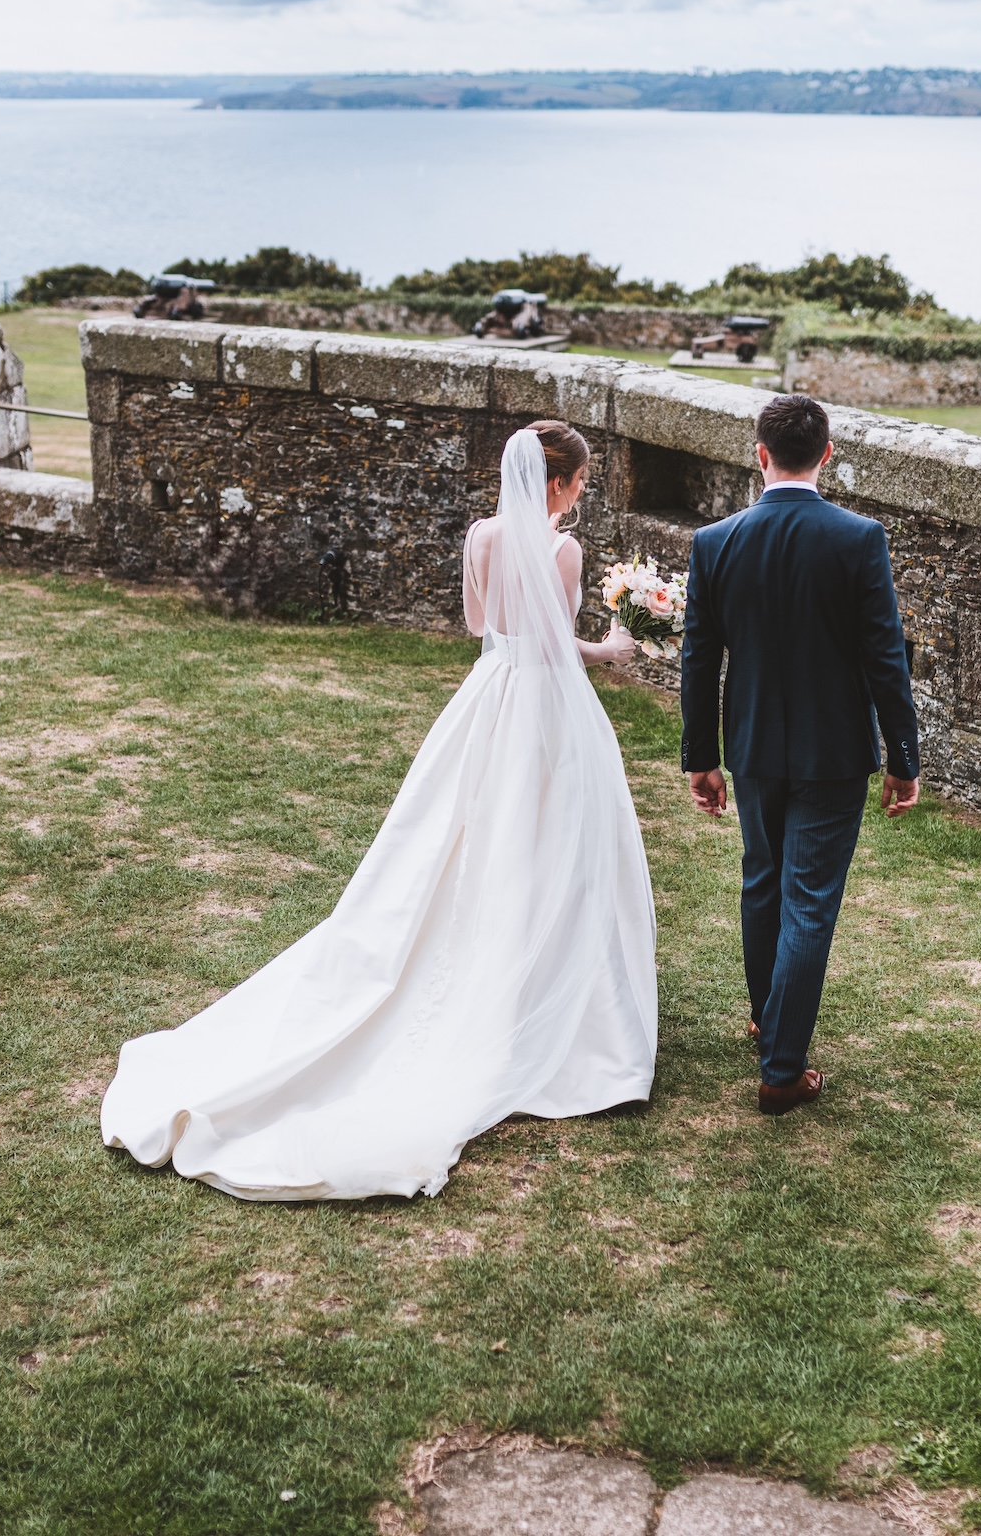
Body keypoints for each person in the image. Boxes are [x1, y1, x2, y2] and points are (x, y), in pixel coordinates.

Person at [101, 421, 658, 1200]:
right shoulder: (562, 551)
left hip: (488, 697)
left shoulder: (482, 535)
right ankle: (551, 997)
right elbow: (559, 648)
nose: (580, 495)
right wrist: (614, 645)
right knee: (554, 843)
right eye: (581, 483)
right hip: (547, 708)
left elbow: (477, 627)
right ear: (560, 485)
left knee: (464, 838)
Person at [680, 393, 919, 1116]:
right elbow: (886, 659)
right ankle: (782, 1069)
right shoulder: (858, 538)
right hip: (835, 751)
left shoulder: (714, 542)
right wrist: (904, 756)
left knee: (763, 881)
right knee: (807, 899)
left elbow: (698, 660)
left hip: (752, 745)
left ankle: (767, 1018)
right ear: (827, 455)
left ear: (760, 455)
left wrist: (701, 754)